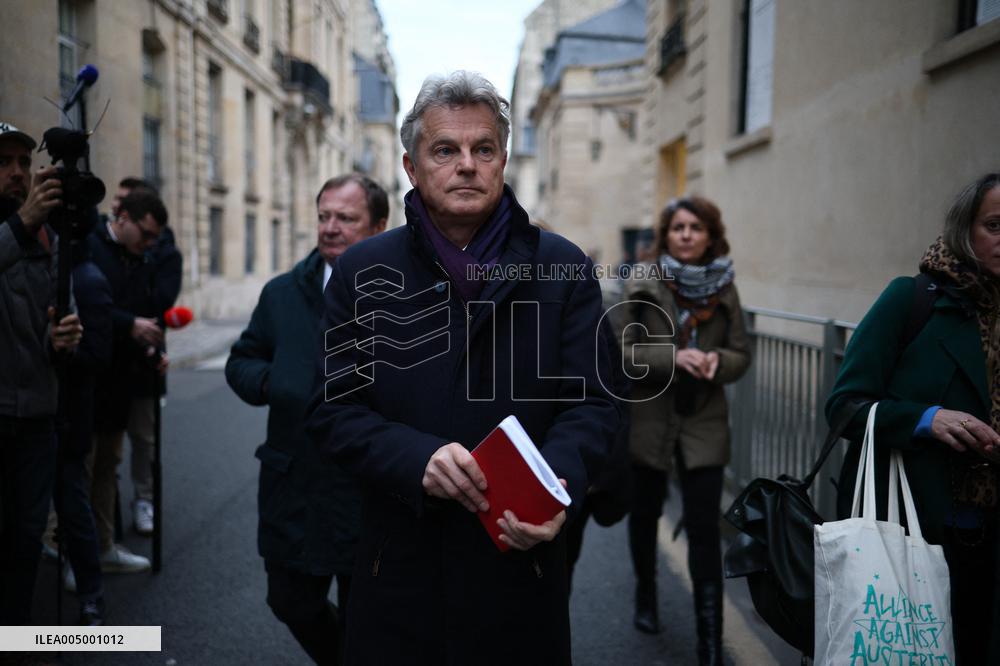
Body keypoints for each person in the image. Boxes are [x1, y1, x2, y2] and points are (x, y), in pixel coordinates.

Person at [307, 71, 619, 665]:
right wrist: (413, 457)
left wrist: (551, 488)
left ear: (504, 160)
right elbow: (331, 408)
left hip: (518, 568)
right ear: (412, 166)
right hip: (397, 567)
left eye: (483, 149)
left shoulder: (564, 268)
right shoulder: (361, 271)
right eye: (445, 150)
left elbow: (595, 404)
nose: (467, 165)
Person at [826, 173, 1000, 665]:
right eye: (995, 225)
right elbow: (844, 407)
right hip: (914, 535)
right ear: (964, 230)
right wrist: (926, 419)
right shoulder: (913, 299)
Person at [226, 173, 388, 665]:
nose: (331, 228)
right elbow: (241, 360)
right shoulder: (281, 294)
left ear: (378, 228)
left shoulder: (405, 297)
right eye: (324, 216)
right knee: (291, 602)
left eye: (346, 218)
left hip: (370, 494)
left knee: (375, 620)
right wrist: (273, 382)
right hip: (295, 486)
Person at [621, 196, 751, 665]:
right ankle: (646, 595)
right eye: (678, 227)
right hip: (651, 416)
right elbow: (624, 352)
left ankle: (710, 640)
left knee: (702, 529)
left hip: (703, 419)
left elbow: (741, 353)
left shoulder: (726, 286)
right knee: (645, 513)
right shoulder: (644, 282)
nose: (687, 234)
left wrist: (718, 362)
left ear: (710, 234)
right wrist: (673, 358)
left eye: (696, 227)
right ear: (666, 234)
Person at [0, 121, 83, 623]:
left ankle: (17, 644)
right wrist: (19, 224)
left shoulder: (45, 236)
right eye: (3, 163)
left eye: (23, 163)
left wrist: (65, 339)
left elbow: (62, 311)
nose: (16, 173)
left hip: (35, 417)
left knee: (26, 539)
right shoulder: (23, 229)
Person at [86, 188, 169, 573]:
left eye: (155, 237)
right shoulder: (89, 246)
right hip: (86, 377)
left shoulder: (143, 260)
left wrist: (154, 350)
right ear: (122, 219)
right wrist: (130, 325)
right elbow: (90, 309)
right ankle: (76, 552)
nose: (151, 243)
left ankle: (102, 546)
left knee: (107, 465)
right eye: (146, 234)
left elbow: (147, 312)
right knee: (81, 470)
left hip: (122, 378)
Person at [106, 177, 182, 536]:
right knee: (106, 444)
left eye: (124, 202)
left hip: (146, 354)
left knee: (144, 439)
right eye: (117, 201)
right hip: (110, 360)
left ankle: (144, 500)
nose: (116, 208)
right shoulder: (104, 246)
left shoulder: (162, 255)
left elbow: (159, 302)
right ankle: (106, 514)